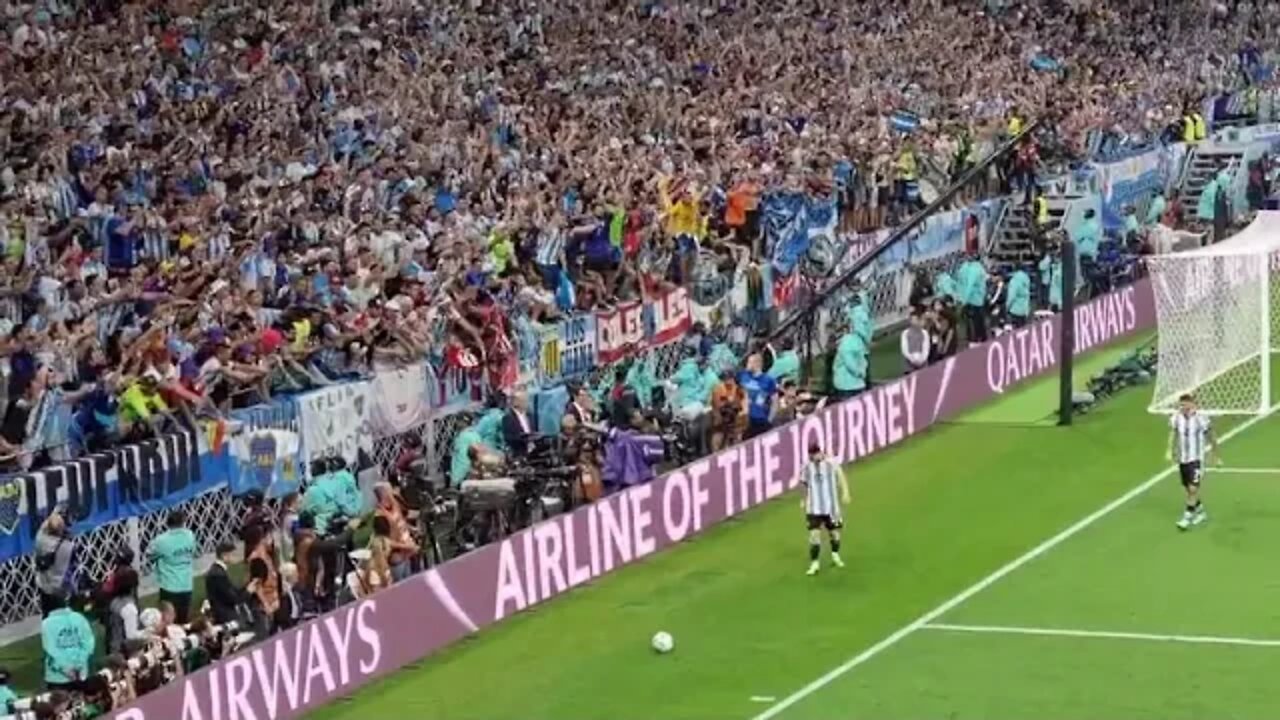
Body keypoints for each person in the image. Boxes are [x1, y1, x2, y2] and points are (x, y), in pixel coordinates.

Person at [797, 441, 851, 576]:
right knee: (814, 536)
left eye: (814, 455)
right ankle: (814, 564)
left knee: (834, 534)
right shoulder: (806, 467)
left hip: (831, 508)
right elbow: (803, 484)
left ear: (819, 453)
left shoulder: (831, 464)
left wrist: (845, 492)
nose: (812, 458)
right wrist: (803, 499)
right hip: (814, 508)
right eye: (811, 456)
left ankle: (835, 554)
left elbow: (841, 477)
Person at [1168, 394, 1220, 531]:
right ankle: (1201, 512)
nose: (1182, 407)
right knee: (1188, 488)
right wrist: (1169, 450)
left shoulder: (1200, 418)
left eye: (1184, 405)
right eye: (1180, 405)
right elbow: (1173, 433)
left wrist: (1216, 456)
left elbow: (1211, 436)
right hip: (1183, 458)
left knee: (1192, 489)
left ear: (1192, 404)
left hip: (1196, 459)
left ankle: (1187, 517)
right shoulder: (1176, 418)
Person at [145, 509, 197, 623]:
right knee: (183, 620)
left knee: (168, 622)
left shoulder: (161, 540)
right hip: (186, 586)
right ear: (183, 521)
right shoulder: (190, 535)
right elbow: (193, 551)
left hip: (169, 586)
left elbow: (149, 554)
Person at [40, 590, 94, 691]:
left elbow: (51, 650)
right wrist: (79, 665)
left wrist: (66, 669)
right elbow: (88, 644)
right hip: (81, 674)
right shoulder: (79, 618)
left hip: (58, 678)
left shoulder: (46, 624)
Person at [34, 509, 76, 618]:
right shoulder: (67, 547)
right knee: (61, 615)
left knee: (47, 615)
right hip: (58, 586)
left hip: (43, 584)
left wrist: (53, 516)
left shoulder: (40, 539)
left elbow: (44, 527)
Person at [205, 541, 250, 626]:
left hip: (224, 613)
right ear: (224, 555)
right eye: (233, 554)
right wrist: (248, 592)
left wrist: (246, 587)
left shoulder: (218, 571)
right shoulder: (218, 574)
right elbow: (232, 598)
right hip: (224, 616)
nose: (235, 557)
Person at [737, 353, 778, 439]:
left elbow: (775, 401)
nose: (747, 365)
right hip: (745, 419)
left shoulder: (768, 380)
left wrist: (769, 420)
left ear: (757, 364)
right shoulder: (743, 375)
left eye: (749, 362)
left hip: (760, 420)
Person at [105, 567, 142, 656]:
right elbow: (131, 637)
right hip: (124, 654)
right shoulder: (129, 609)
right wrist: (148, 633)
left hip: (113, 648)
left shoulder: (114, 601)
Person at [709, 370, 747, 451]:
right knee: (717, 437)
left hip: (736, 419)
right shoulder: (718, 390)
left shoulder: (739, 389)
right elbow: (716, 406)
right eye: (725, 379)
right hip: (721, 418)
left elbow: (743, 406)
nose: (728, 380)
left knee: (738, 436)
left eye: (729, 378)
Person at [831, 324, 869, 401]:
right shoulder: (852, 342)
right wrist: (861, 372)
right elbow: (855, 361)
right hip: (852, 385)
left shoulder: (851, 342)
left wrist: (861, 371)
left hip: (852, 385)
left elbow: (855, 362)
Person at [502, 390, 534, 457]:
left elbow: (532, 431)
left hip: (533, 450)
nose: (527, 403)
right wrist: (524, 439)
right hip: (518, 452)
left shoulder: (529, 415)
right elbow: (508, 438)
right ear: (516, 402)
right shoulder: (508, 417)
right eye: (524, 400)